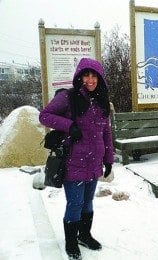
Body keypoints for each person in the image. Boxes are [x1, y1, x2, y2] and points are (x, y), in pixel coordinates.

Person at [39, 57, 114, 260]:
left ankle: (84, 235)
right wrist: (69, 125)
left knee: (88, 202)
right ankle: (71, 242)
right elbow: (44, 115)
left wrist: (109, 159)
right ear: (79, 77)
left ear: (100, 79)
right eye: (86, 75)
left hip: (94, 161)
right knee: (75, 203)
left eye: (94, 76)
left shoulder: (102, 101)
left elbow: (106, 133)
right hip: (73, 161)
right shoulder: (68, 97)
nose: (90, 80)